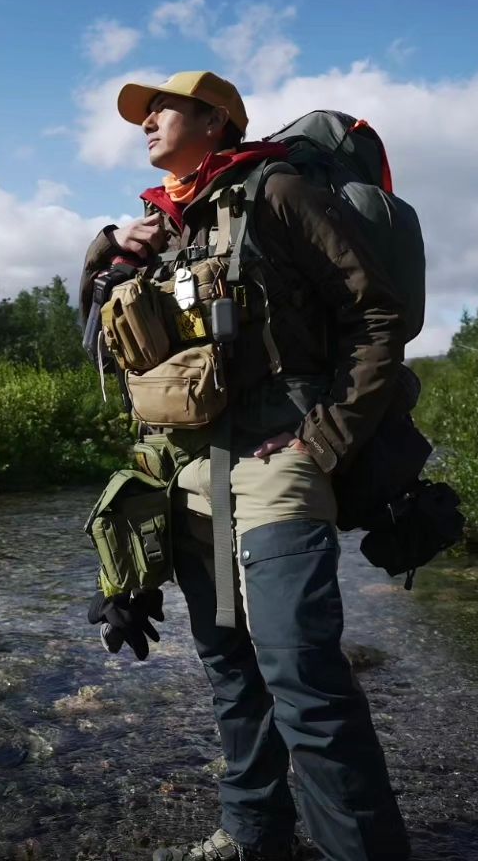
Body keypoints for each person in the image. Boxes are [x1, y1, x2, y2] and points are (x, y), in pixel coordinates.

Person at [79, 71, 411, 861]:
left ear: (214, 119)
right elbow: (96, 347)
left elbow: (378, 313)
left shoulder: (279, 190)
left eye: (162, 108)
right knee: (229, 669)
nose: (146, 122)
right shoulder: (160, 226)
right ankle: (254, 834)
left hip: (279, 463)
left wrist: (325, 441)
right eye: (144, 114)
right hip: (187, 475)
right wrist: (109, 252)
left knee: (303, 678)